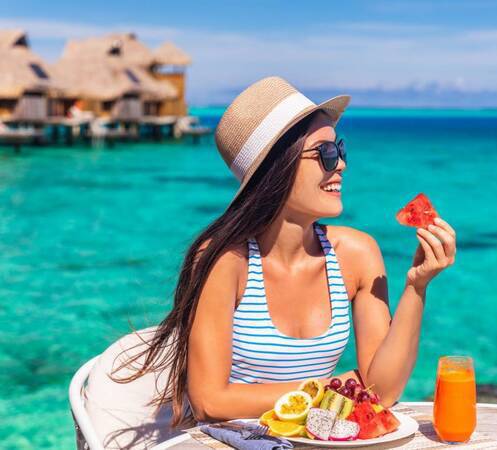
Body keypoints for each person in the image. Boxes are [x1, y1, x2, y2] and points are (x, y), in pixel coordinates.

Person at [125, 76, 457, 427]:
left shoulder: (357, 253)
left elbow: (383, 392)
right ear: (277, 168)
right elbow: (210, 401)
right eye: (326, 154)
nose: (341, 165)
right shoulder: (225, 260)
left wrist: (416, 287)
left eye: (340, 150)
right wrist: (334, 387)